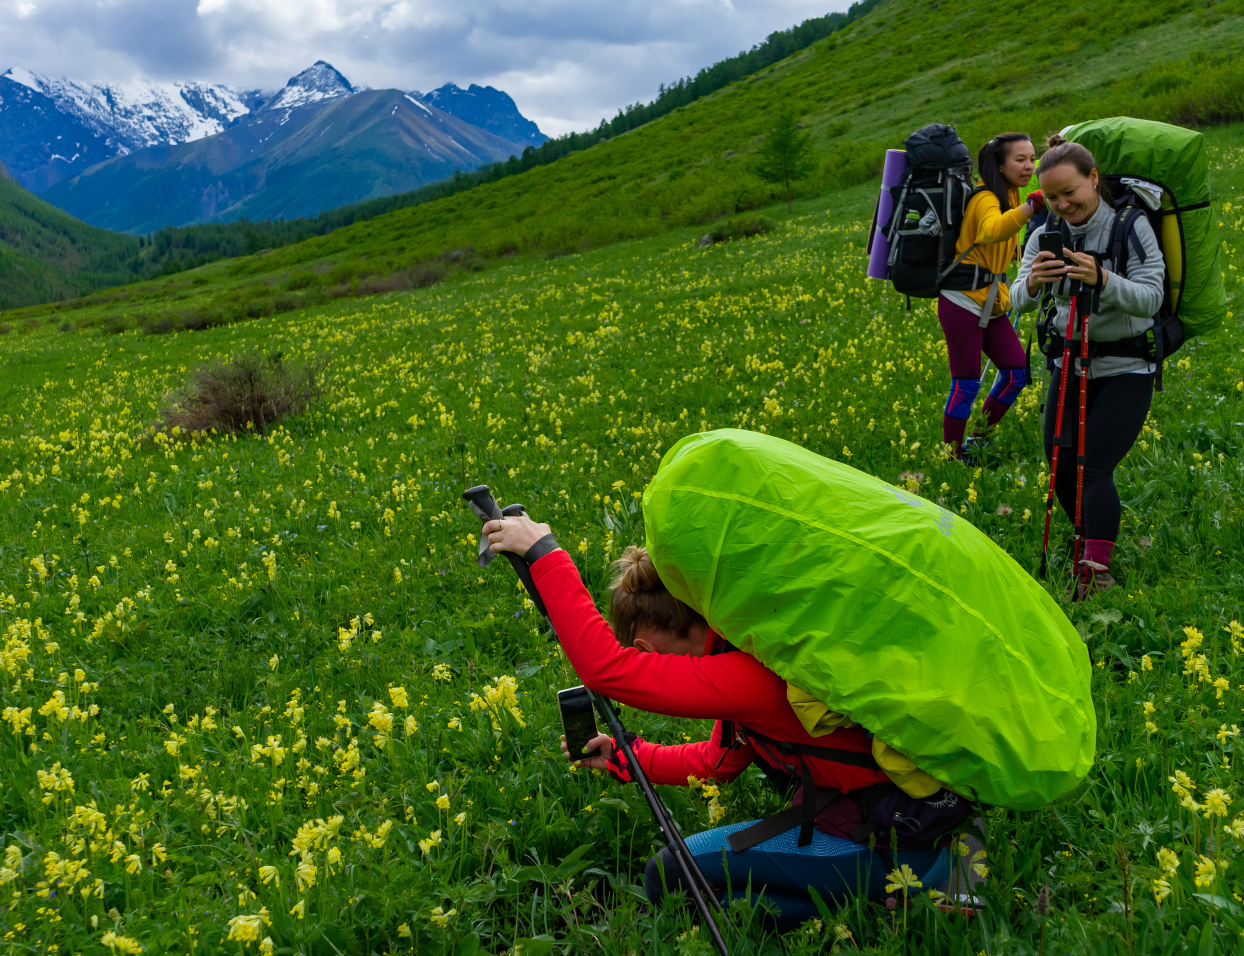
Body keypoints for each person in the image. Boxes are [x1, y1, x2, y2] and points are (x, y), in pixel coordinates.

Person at [480, 516, 986, 929]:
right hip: (866, 816)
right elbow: (720, 761)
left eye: (644, 650)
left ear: (652, 643)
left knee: (669, 876)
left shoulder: (747, 674)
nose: (646, 659)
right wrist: (626, 758)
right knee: (723, 905)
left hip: (891, 836)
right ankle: (890, 902)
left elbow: (606, 670)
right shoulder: (740, 648)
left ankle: (930, 883)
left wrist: (545, 552)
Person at [1010, 135, 1165, 597]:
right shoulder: (1042, 233)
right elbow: (1015, 299)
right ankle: (1089, 537)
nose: (1062, 205)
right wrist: (1034, 283)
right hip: (1069, 361)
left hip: (1126, 364)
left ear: (1093, 179)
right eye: (1053, 198)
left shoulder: (1130, 225)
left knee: (1092, 465)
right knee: (1059, 465)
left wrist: (1102, 278)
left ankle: (1097, 573)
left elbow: (1151, 297)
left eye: (1070, 193)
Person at [938, 132, 1046, 460]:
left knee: (1016, 374)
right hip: (962, 301)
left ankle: (980, 440)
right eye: (1020, 159)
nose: (1029, 166)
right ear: (999, 165)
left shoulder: (1011, 195)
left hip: (991, 300)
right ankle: (952, 456)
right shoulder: (986, 198)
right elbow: (990, 230)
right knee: (966, 383)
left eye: (1032, 159)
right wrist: (1031, 206)